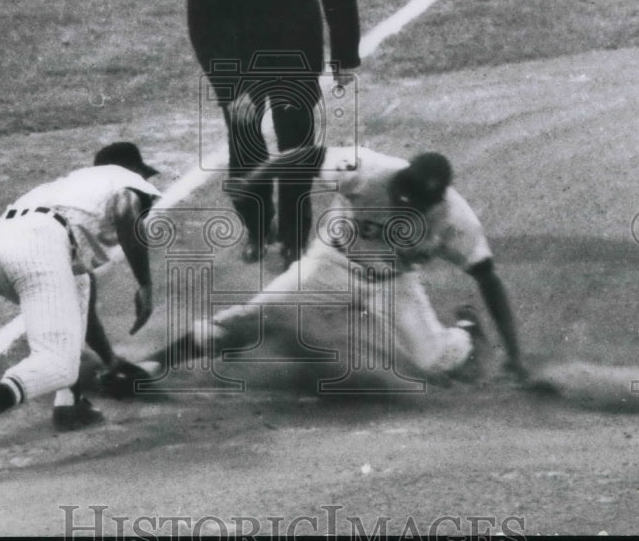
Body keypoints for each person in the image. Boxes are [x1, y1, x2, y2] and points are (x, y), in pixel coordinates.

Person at [104, 145, 525, 395]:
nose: (402, 204)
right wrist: (255, 180)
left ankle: (466, 330)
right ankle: (152, 366)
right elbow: (306, 155)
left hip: (392, 281)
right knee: (257, 314)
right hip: (333, 262)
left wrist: (517, 355)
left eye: (413, 203)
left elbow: (488, 277)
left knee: (434, 364)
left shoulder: (457, 221)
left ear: (435, 202)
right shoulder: (367, 169)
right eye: (401, 194)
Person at [0, 142, 161, 476]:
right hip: (39, 244)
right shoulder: (123, 180)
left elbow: (81, 310)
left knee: (73, 299)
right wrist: (145, 284)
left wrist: (109, 360)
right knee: (56, 361)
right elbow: (126, 211)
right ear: (133, 168)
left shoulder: (67, 188)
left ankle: (69, 405)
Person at [187, 0, 360, 265]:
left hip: (297, 55)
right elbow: (203, 25)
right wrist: (231, 91)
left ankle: (295, 233)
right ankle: (258, 227)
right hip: (241, 60)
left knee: (296, 146)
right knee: (245, 145)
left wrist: (345, 57)